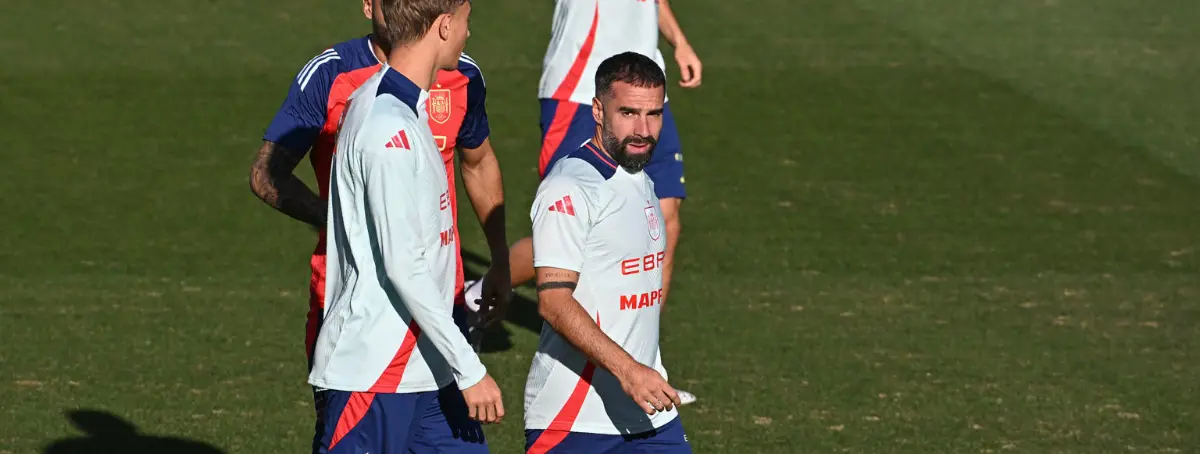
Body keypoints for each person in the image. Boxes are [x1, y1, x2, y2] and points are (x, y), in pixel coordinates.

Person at [249, 0, 511, 377]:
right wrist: (344, 220)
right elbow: (266, 173)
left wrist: (500, 260)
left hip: (439, 298)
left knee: (450, 433)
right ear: (369, 6)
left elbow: (479, 162)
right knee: (351, 436)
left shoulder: (461, 73)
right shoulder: (332, 73)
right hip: (352, 304)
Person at [463, 0, 699, 403]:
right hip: (579, 88)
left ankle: (644, 359)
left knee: (665, 216)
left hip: (644, 87)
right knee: (572, 228)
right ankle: (476, 299)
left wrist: (678, 40)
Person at [305, 0, 504, 453]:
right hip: (375, 375)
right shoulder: (386, 128)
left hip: (426, 366)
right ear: (444, 26)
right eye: (466, 23)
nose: (469, 35)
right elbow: (403, 266)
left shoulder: (399, 107)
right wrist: (471, 369)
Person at [523, 52, 691, 454]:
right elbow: (553, 303)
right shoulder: (569, 186)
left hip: (651, 413)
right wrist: (629, 371)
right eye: (628, 113)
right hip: (575, 420)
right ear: (598, 110)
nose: (643, 130)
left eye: (653, 115)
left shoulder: (640, 179)